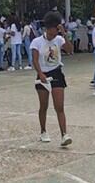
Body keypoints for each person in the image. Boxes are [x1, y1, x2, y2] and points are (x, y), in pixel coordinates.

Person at [31, 11, 73, 147]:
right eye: (56, 28)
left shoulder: (59, 40)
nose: (56, 31)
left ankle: (64, 134)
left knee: (59, 106)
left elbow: (69, 50)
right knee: (44, 106)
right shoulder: (37, 42)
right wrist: (40, 73)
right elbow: (35, 60)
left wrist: (64, 34)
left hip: (56, 73)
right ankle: (43, 131)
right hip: (43, 74)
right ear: (49, 28)